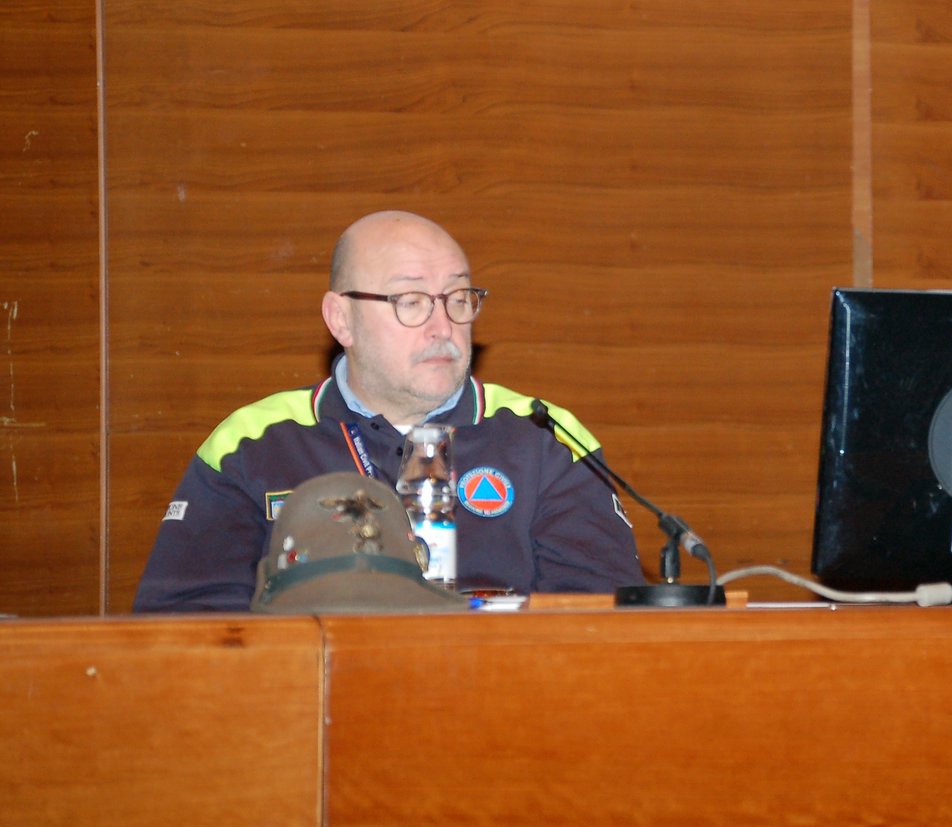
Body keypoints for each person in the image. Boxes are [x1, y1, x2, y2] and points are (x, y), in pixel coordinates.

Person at [134, 211, 645, 611]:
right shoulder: (252, 443)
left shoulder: (546, 437)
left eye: (458, 297)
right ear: (342, 319)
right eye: (411, 300)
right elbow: (188, 628)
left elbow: (600, 621)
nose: (443, 325)